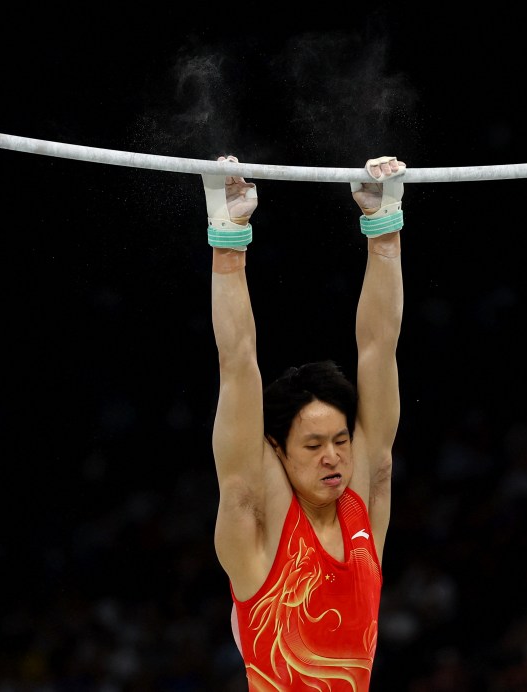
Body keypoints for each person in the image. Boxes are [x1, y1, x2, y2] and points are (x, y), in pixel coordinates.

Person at [202, 153, 406, 690]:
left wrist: (384, 232)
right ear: (278, 451)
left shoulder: (363, 493)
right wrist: (228, 240)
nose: (334, 456)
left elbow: (379, 350)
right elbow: (237, 364)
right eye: (313, 445)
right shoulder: (257, 529)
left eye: (340, 440)